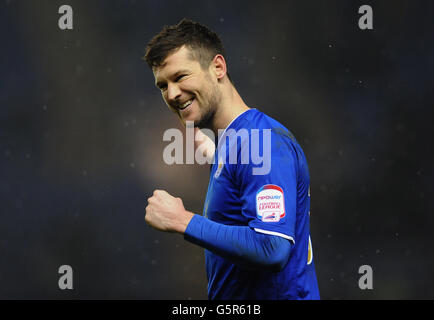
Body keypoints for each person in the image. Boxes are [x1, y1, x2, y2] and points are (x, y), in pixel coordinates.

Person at [143, 18, 320, 300]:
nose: (172, 93)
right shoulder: (238, 144)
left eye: (180, 77)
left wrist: (183, 220)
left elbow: (272, 248)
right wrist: (222, 160)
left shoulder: (262, 141)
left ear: (218, 68)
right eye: (162, 86)